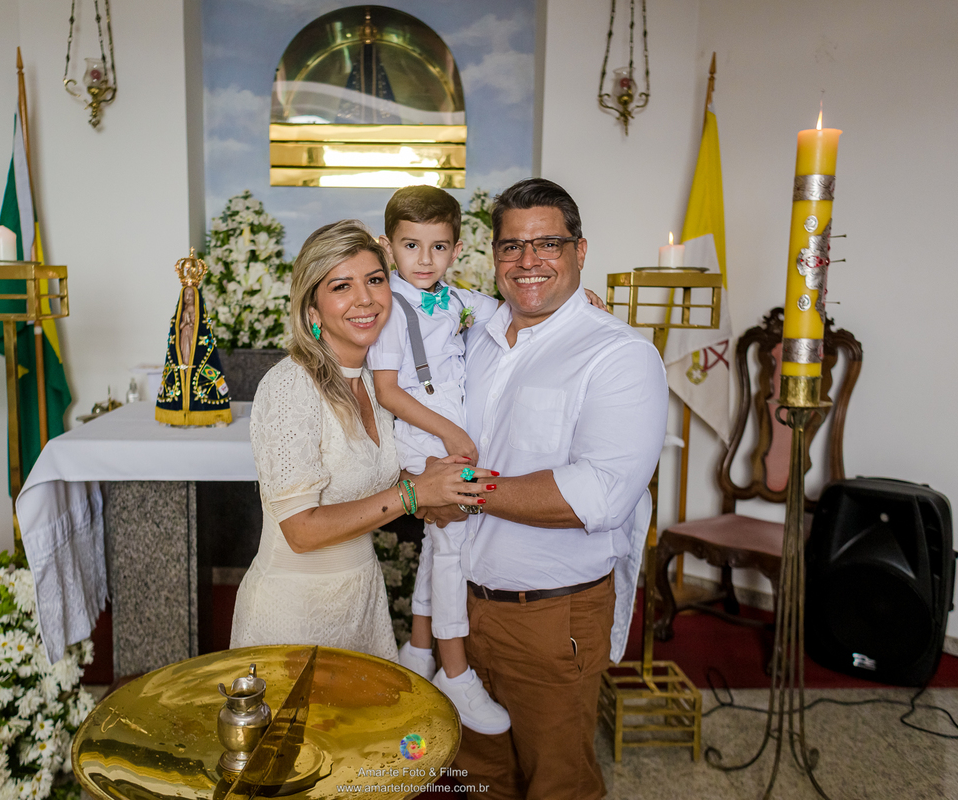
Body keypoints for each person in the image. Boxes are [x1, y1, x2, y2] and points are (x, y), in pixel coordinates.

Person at [418, 179, 668, 799]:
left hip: (552, 618)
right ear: (494, 256)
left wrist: (461, 487)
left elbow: (601, 494)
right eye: (511, 247)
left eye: (548, 243)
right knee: (473, 779)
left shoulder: (618, 355)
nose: (528, 261)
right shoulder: (469, 336)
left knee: (557, 782)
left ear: (581, 251)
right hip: (460, 609)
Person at [229, 219, 494, 659]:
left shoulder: (375, 385)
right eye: (341, 287)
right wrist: (414, 494)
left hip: (361, 605)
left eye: (374, 280)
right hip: (292, 613)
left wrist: (442, 488)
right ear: (312, 310)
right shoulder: (290, 385)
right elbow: (301, 531)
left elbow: (393, 487)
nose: (365, 299)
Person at [366, 186, 508, 734]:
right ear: (388, 246)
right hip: (423, 434)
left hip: (450, 428)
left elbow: (509, 311)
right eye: (411, 246)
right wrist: (451, 432)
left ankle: (419, 649)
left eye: (438, 247)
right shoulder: (388, 308)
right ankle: (455, 668)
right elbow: (388, 392)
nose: (425, 261)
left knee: (440, 542)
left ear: (456, 248)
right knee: (455, 546)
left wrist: (581, 299)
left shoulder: (455, 300)